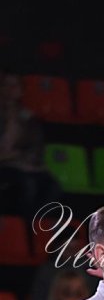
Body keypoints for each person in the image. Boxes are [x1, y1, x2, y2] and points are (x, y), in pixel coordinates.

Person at [0, 71, 61, 217]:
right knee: (26, 185)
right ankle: (21, 225)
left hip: (21, 165)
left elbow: (35, 147)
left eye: (14, 86)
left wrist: (23, 160)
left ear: (21, 91)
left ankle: (37, 226)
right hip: (5, 166)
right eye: (6, 85)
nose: (10, 90)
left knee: (51, 185)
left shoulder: (28, 118)